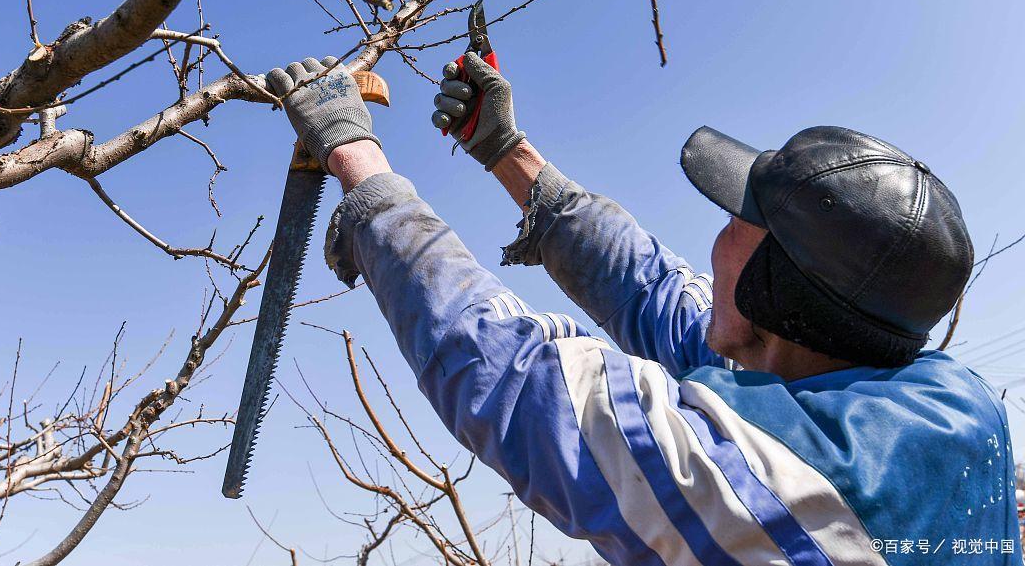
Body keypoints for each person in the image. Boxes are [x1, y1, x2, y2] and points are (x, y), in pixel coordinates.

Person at [264, 54, 1023, 565]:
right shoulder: (945, 399)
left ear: (774, 292)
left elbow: (524, 384)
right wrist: (505, 150)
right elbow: (654, 292)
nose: (713, 240)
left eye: (735, 225)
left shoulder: (790, 479)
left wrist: (360, 169)